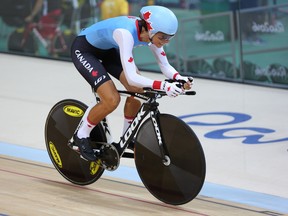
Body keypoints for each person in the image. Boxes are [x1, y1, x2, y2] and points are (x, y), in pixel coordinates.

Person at [71, 5, 193, 161]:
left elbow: (165, 65)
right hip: (85, 50)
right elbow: (131, 78)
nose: (166, 42)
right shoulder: (126, 33)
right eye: (163, 37)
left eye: (169, 38)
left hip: (108, 50)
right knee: (112, 99)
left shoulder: (151, 36)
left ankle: (127, 137)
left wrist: (179, 78)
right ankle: (81, 136)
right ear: (150, 29)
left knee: (138, 92)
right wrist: (164, 86)